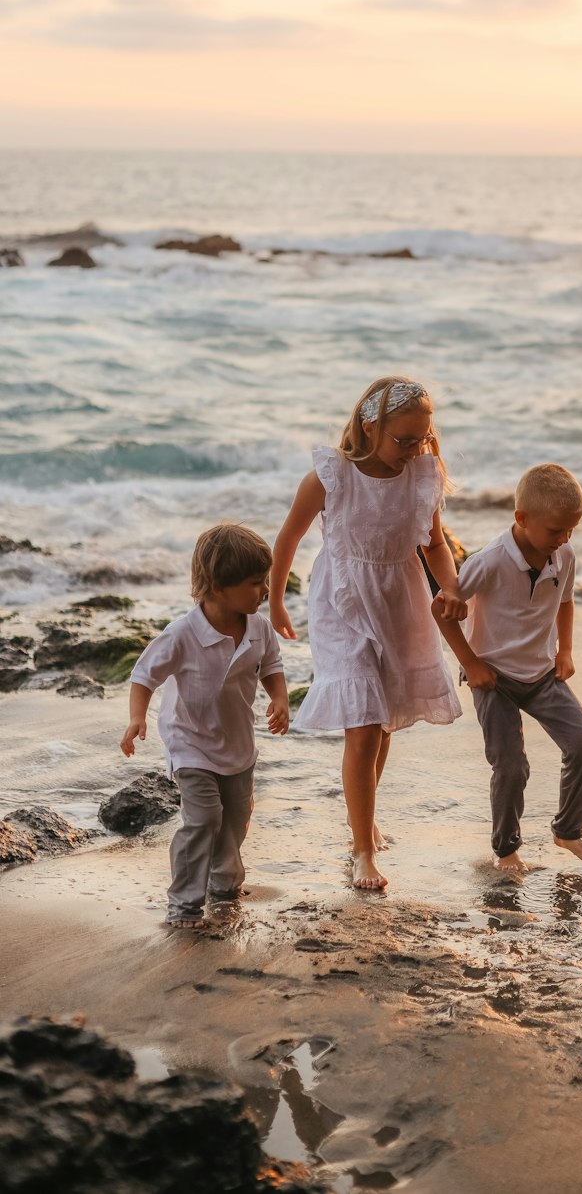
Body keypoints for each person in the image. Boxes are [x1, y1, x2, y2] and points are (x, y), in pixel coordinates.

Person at [269, 376, 464, 891]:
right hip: (343, 602)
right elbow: (288, 537)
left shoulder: (421, 476)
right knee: (363, 719)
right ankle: (361, 851)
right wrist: (273, 601)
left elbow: (435, 542)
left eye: (421, 439)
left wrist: (451, 587)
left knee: (382, 722)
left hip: (400, 599)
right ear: (368, 425)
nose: (413, 449)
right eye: (403, 440)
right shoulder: (331, 475)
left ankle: (365, 820)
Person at [433, 462, 582, 877]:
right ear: (522, 519)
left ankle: (568, 830)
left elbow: (565, 601)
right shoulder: (489, 561)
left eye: (571, 530)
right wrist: (470, 664)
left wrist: (565, 650)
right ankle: (506, 848)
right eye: (554, 531)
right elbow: (441, 611)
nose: (563, 539)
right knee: (511, 764)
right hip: (493, 678)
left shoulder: (563, 554)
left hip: (542, 673)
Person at [119, 522, 290, 928]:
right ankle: (184, 903)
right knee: (203, 820)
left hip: (237, 744)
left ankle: (225, 883)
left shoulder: (259, 628)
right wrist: (137, 717)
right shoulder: (181, 634)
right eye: (255, 583)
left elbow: (272, 666)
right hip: (189, 743)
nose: (265, 591)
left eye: (264, 581)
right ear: (217, 588)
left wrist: (279, 698)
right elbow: (144, 675)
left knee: (236, 819)